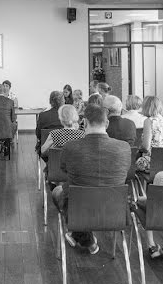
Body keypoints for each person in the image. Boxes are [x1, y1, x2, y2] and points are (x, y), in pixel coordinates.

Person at [52, 104, 131, 253]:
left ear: (85, 123)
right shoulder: (124, 147)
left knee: (57, 191)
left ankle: (84, 237)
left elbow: (64, 169)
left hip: (79, 207)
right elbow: (125, 172)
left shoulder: (70, 147)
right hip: (114, 209)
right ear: (106, 123)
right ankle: (83, 236)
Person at [135, 96, 163, 172]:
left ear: (146, 107)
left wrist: (138, 149)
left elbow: (146, 147)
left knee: (130, 163)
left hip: (150, 161)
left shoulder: (149, 121)